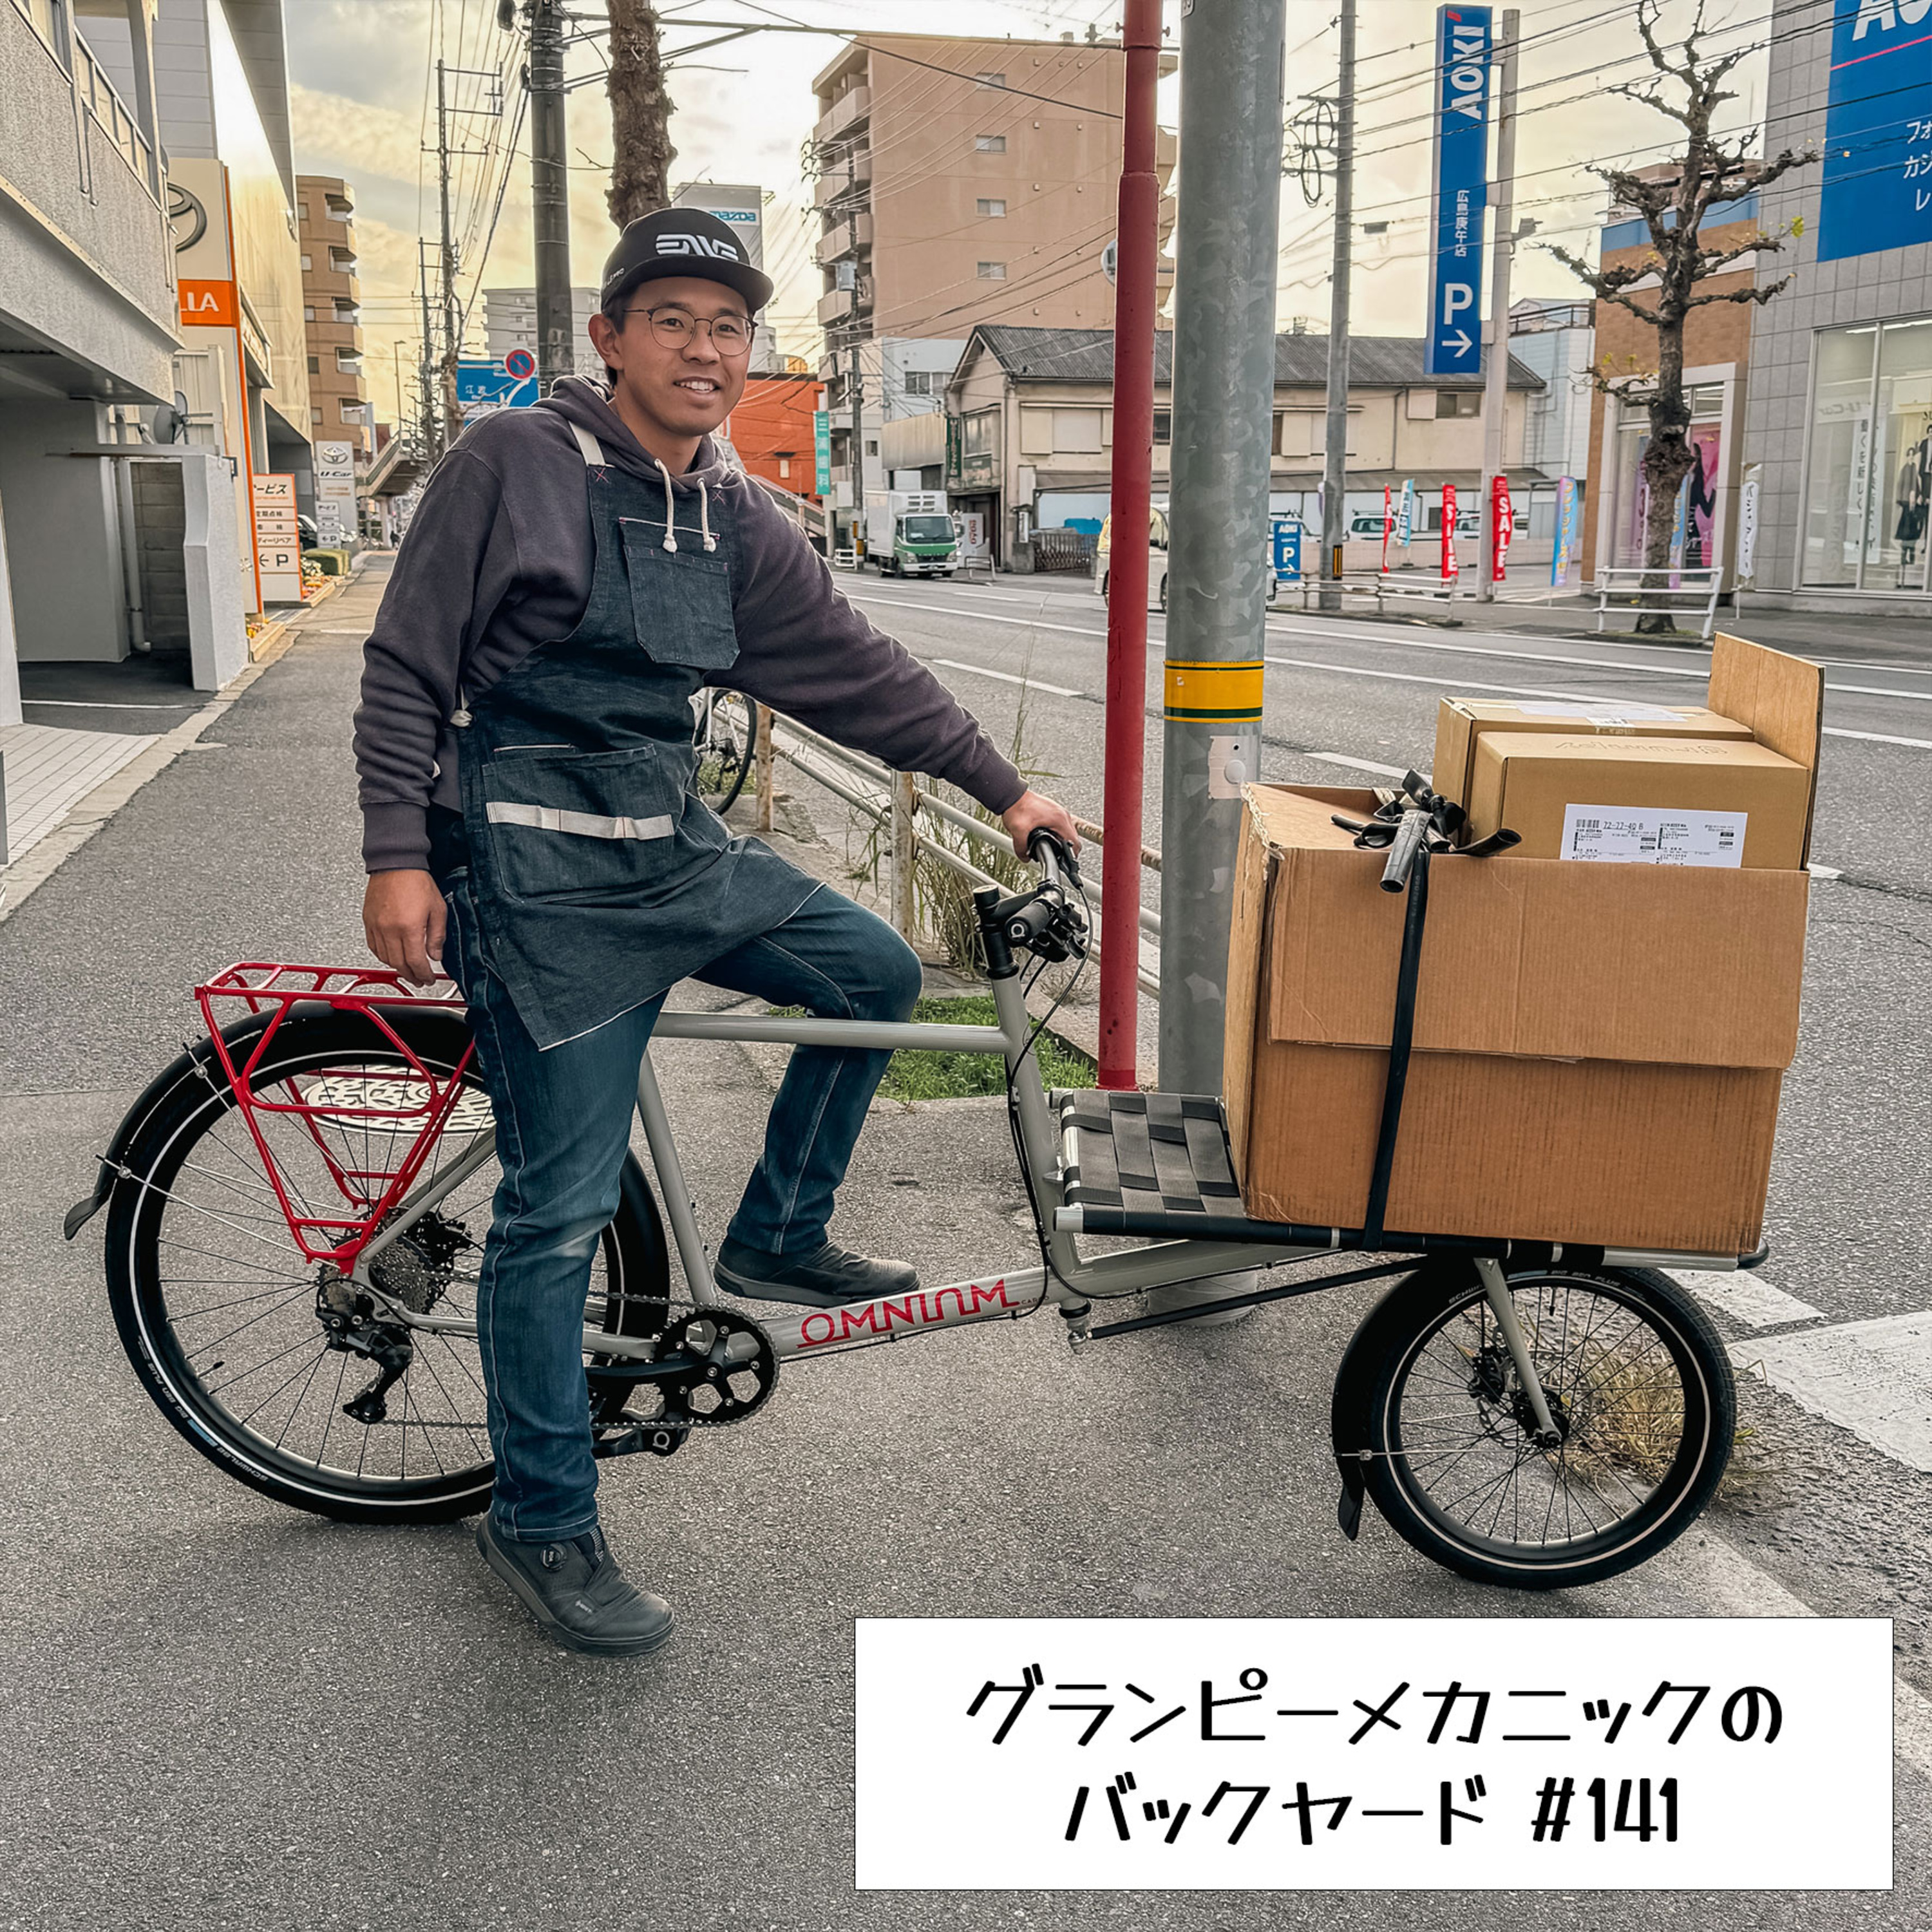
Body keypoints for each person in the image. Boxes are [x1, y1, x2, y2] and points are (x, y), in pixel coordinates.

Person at [354, 208, 1078, 1657]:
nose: (704, 348)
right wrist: (396, 858)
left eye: (729, 327)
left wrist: (1006, 788)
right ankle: (538, 1520)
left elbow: (855, 667)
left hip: (670, 846)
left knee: (871, 973)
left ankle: (778, 1235)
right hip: (533, 877)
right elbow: (405, 667)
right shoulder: (512, 463)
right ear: (611, 339)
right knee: (558, 1214)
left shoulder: (735, 512)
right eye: (672, 320)